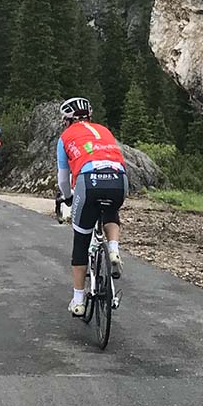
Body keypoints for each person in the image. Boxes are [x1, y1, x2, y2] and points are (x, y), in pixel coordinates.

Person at [56, 97, 127, 318]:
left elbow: (63, 180)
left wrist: (68, 198)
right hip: (119, 179)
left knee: (81, 239)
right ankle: (114, 249)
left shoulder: (65, 137)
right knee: (111, 211)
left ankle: (78, 301)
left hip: (89, 181)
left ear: (67, 120)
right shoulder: (104, 130)